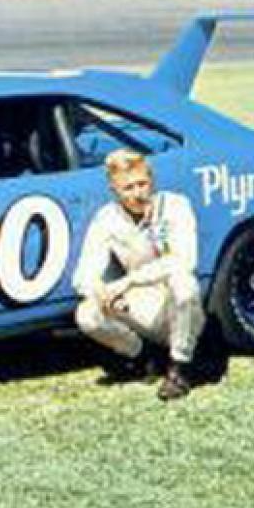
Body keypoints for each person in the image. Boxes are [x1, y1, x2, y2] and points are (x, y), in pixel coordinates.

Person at [72, 148, 205, 400]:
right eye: (128, 188)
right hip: (141, 302)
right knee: (86, 313)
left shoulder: (175, 205)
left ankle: (180, 368)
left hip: (176, 304)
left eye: (142, 184)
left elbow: (184, 261)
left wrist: (128, 281)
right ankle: (143, 357)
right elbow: (83, 273)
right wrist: (101, 292)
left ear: (151, 180)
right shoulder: (107, 218)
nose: (137, 193)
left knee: (184, 284)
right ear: (114, 190)